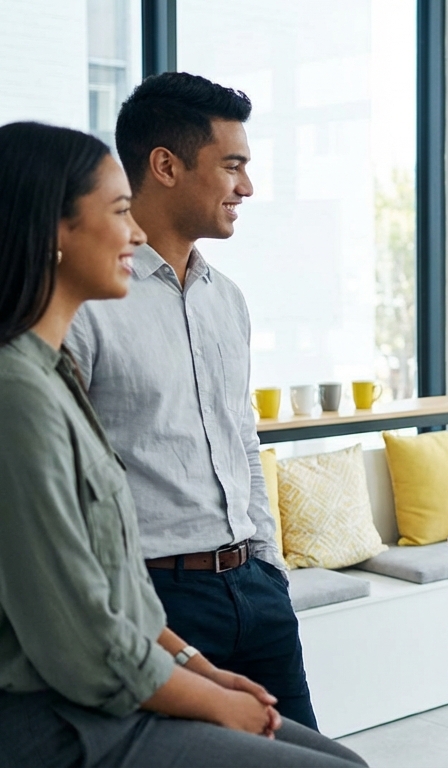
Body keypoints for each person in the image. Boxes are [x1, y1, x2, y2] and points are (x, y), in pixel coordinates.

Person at [0, 120, 365, 768]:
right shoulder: (21, 389)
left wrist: (260, 572)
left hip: (240, 589)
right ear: (53, 229)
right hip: (78, 706)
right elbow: (82, 627)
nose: (135, 232)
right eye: (118, 212)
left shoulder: (56, 371)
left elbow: (240, 438)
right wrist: (210, 698)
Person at [64, 72, 318, 729]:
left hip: (255, 589)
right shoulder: (87, 304)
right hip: (154, 599)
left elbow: (242, 439)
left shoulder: (227, 299)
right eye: (232, 166)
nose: (247, 187)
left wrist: (268, 564)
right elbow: (64, 479)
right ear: (166, 166)